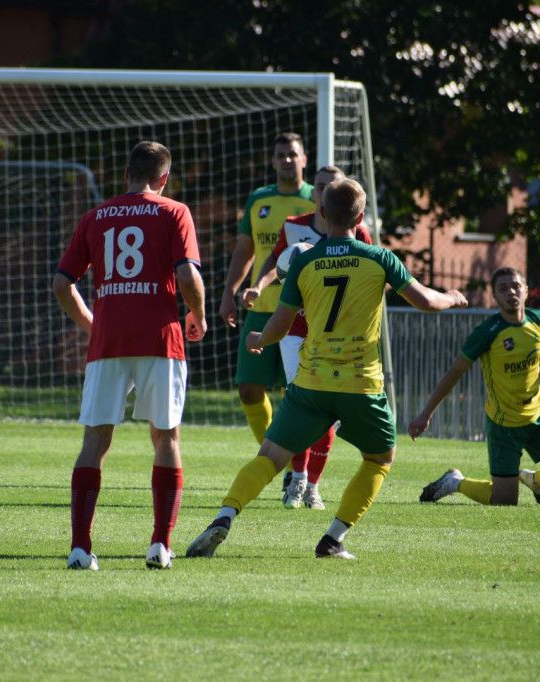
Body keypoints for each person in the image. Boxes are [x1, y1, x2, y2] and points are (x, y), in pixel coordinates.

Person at [187, 178, 468, 561]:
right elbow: (427, 302)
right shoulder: (380, 258)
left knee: (270, 457)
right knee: (379, 459)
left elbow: (280, 326)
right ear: (361, 217)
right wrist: (452, 297)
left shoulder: (304, 262)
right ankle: (333, 538)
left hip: (312, 382)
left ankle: (224, 516)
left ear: (321, 212)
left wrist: (259, 338)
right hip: (361, 384)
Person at [53, 140, 206, 571]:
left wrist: (93, 324)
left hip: (110, 341)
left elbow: (62, 284)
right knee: (166, 438)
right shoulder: (174, 211)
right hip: (161, 338)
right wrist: (198, 315)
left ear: (126, 175)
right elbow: (187, 275)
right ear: (164, 179)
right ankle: (160, 545)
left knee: (95, 440)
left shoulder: (96, 216)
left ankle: (80, 548)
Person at [409, 267, 540, 506]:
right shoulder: (487, 332)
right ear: (495, 296)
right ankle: (455, 482)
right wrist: (426, 414)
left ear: (526, 290)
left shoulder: (538, 320)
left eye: (516, 286)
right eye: (503, 288)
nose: (511, 292)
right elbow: (454, 372)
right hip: (504, 424)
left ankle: (535, 479)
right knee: (504, 501)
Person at [241, 165, 374, 510]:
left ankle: (312, 484)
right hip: (297, 332)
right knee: (301, 401)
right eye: (320, 186)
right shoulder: (294, 226)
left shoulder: (359, 232)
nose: (325, 191)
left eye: (332, 186)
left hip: (337, 335)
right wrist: (259, 286)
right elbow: (275, 262)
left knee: (328, 412)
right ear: (313, 193)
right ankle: (297, 479)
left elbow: (371, 273)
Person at [219, 132, 315, 446]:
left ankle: (295, 460)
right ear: (272, 161)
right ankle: (270, 452)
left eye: (293, 154)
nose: (287, 160)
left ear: (304, 159)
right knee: (248, 388)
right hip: (259, 308)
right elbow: (244, 250)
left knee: (296, 392)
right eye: (280, 155)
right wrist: (229, 292)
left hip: (300, 312)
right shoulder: (259, 199)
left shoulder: (316, 199)